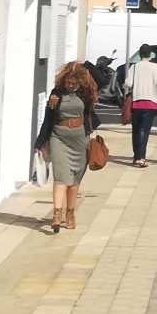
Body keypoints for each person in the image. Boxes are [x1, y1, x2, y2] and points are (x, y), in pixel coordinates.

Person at [33, 60, 99, 234]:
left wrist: (87, 64)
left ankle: (70, 213)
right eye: (68, 82)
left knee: (75, 179)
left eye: (74, 83)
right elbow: (48, 119)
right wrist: (39, 142)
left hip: (80, 140)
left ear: (80, 81)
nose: (70, 85)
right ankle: (56, 214)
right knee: (61, 176)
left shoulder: (86, 93)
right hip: (59, 137)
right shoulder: (57, 93)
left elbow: (102, 79)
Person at [127, 44, 157, 167]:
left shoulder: (135, 67)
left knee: (136, 130)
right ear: (150, 54)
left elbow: (128, 83)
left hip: (136, 102)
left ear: (139, 54)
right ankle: (141, 158)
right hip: (151, 103)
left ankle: (136, 156)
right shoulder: (154, 67)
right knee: (144, 130)